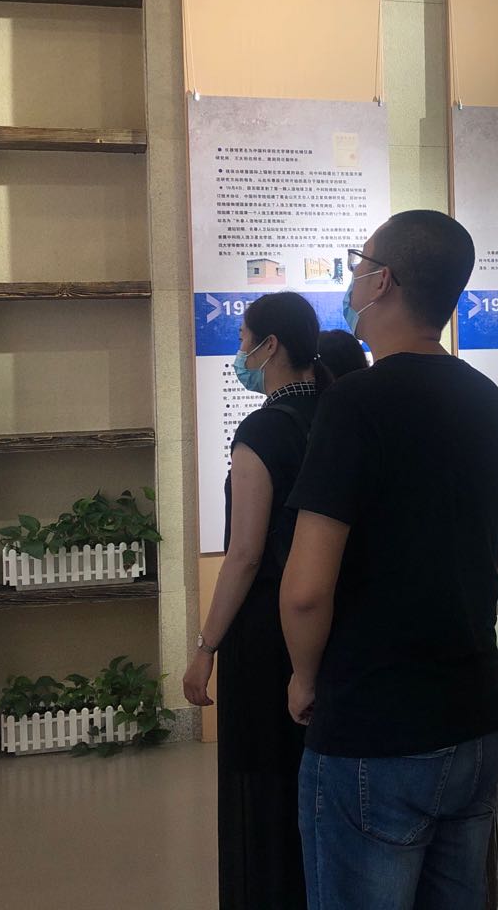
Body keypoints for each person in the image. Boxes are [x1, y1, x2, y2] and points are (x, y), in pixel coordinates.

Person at [280, 210, 498, 910]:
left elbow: (306, 588)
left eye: (359, 265)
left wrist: (303, 675)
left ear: (382, 280)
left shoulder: (354, 403)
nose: (352, 280)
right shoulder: (488, 400)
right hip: (473, 715)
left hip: (375, 725)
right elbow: (495, 553)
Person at [180, 291, 335, 910]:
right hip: (329, 626)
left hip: (268, 634)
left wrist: (205, 646)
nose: (240, 351)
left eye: (244, 338)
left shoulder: (264, 430)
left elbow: (244, 555)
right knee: (315, 784)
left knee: (265, 793)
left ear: (271, 346)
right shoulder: (338, 414)